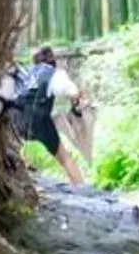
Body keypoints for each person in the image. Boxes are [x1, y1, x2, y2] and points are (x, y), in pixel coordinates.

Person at [19, 47, 92, 187]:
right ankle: (82, 190)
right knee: (65, 158)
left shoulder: (26, 73)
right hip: (39, 120)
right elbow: (70, 91)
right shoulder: (54, 74)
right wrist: (77, 97)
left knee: (17, 152)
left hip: (16, 118)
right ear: (53, 60)